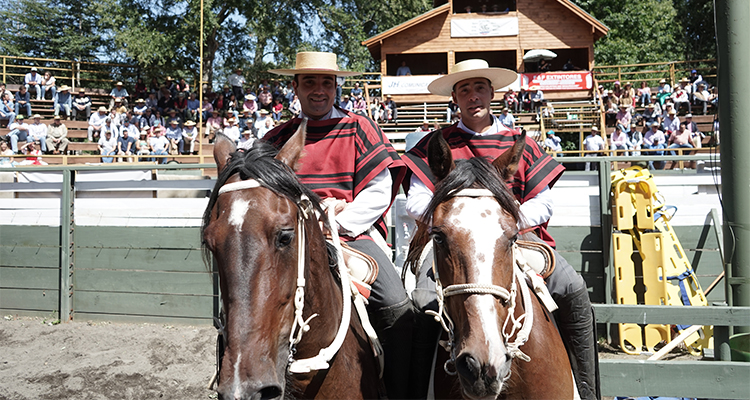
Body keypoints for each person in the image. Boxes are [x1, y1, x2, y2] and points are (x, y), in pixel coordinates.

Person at [402, 58, 599, 400]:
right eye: (465, 89)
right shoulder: (435, 144)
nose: (473, 96)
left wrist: (505, 221)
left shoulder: (518, 140)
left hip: (517, 238)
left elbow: (543, 201)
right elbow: (417, 200)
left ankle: (588, 390)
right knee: (420, 302)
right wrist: (457, 219)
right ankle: (415, 393)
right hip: (455, 241)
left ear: (492, 93)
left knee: (573, 288)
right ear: (455, 97)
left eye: (480, 87)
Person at [265, 51, 412, 400]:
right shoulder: (275, 139)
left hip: (349, 236)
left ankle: (401, 390)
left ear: (336, 87)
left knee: (398, 305)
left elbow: (378, 192)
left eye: (327, 82)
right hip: (290, 240)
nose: (319, 90)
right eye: (310, 82)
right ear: (295, 87)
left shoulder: (360, 127)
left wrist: (336, 222)